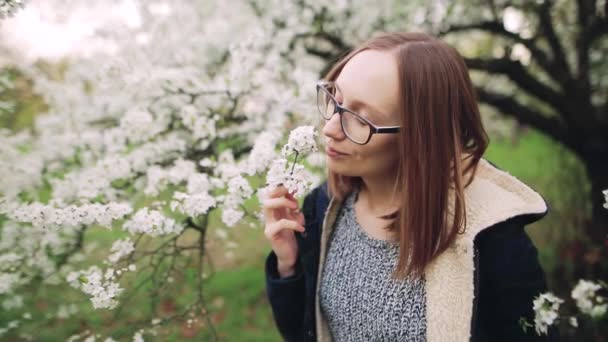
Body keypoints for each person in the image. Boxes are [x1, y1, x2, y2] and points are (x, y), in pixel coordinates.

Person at [261, 32, 559, 342]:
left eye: (360, 118)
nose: (330, 128)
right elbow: (304, 332)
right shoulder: (322, 208)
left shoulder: (492, 240)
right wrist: (289, 265)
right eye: (336, 99)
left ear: (419, 135)